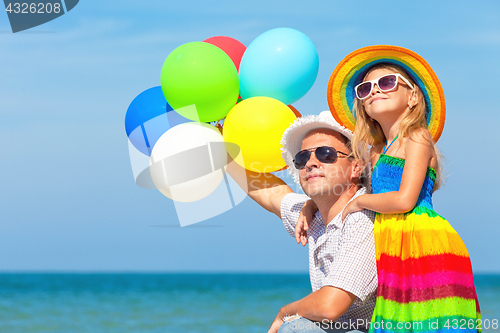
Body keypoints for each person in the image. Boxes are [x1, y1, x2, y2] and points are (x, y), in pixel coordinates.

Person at [298, 45, 481, 332]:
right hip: (392, 244)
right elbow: (352, 189)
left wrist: (359, 204)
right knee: (401, 322)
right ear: (363, 106)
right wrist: (311, 204)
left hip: (423, 240)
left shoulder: (417, 137)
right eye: (365, 88)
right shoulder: (376, 152)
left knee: (429, 321)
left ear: (412, 96)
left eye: (386, 83)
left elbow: (405, 199)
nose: (374, 91)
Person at [227, 111, 377, 333]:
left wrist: (284, 313)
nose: (311, 163)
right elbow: (270, 194)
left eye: (326, 154)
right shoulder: (314, 214)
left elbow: (330, 306)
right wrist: (225, 153)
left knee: (296, 329)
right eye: (302, 158)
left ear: (356, 167)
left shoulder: (362, 217)